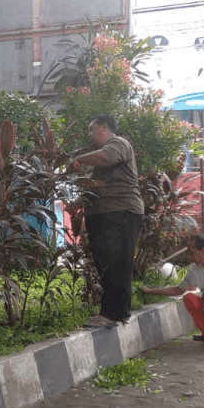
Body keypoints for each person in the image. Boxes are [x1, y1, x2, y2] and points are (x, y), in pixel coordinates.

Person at [72, 114, 144, 328]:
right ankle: (115, 312)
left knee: (116, 263)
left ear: (103, 127)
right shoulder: (99, 157)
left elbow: (106, 158)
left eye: (91, 129)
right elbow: (94, 184)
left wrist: (79, 159)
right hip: (105, 214)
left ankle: (113, 313)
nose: (89, 134)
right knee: (107, 263)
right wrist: (78, 201)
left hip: (120, 211)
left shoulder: (118, 144)